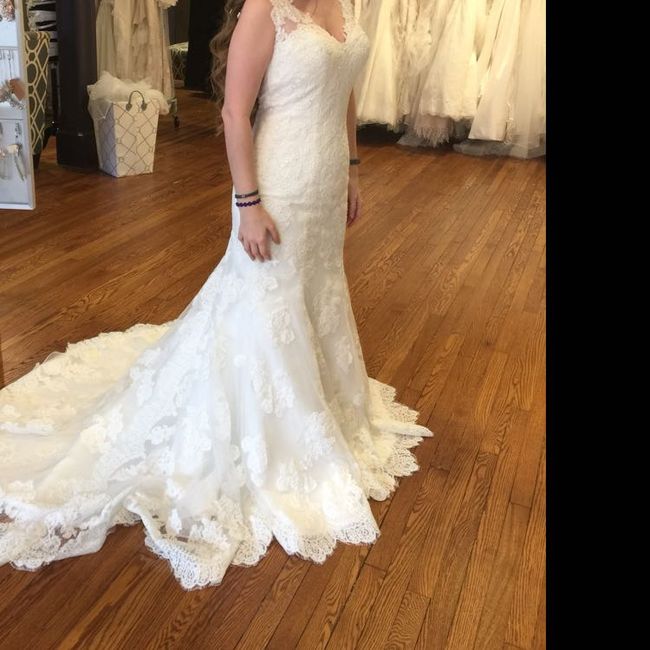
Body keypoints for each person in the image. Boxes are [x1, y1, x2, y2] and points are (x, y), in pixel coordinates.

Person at [0, 0, 433, 590]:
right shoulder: (265, 8)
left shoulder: (344, 4)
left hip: (327, 179)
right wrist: (248, 202)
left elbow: (344, 89)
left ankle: (322, 403)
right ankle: (273, 435)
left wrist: (354, 166)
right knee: (265, 301)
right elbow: (234, 111)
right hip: (279, 182)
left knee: (317, 291)